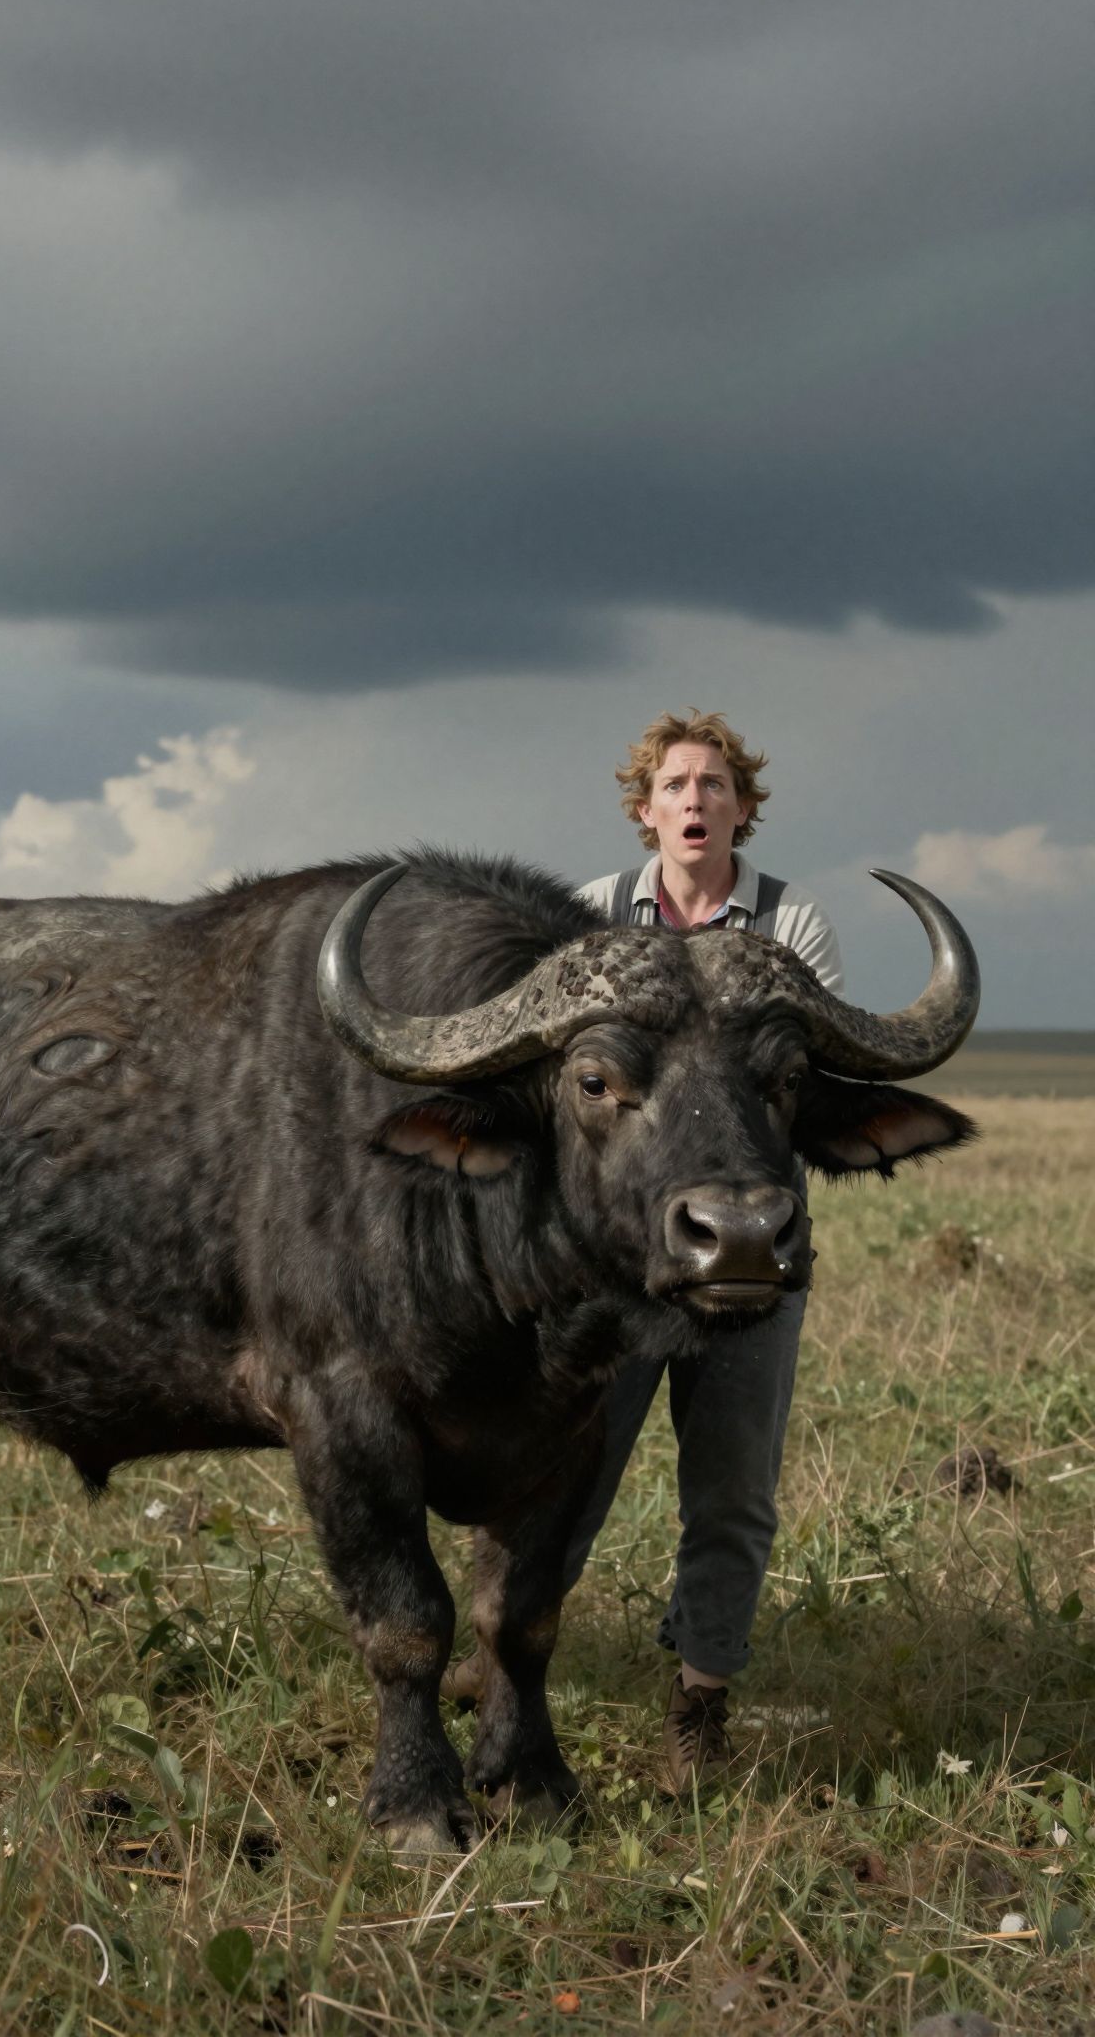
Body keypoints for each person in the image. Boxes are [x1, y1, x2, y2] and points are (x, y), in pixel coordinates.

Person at [569, 707, 842, 1793]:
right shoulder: (587, 916)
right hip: (629, 1248)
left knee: (731, 1484)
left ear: (742, 808)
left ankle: (702, 1698)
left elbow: (810, 1068)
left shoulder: (794, 926)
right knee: (571, 1466)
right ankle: (512, 1646)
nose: (695, 799)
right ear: (646, 812)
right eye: (676, 784)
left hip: (751, 1251)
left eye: (715, 784)